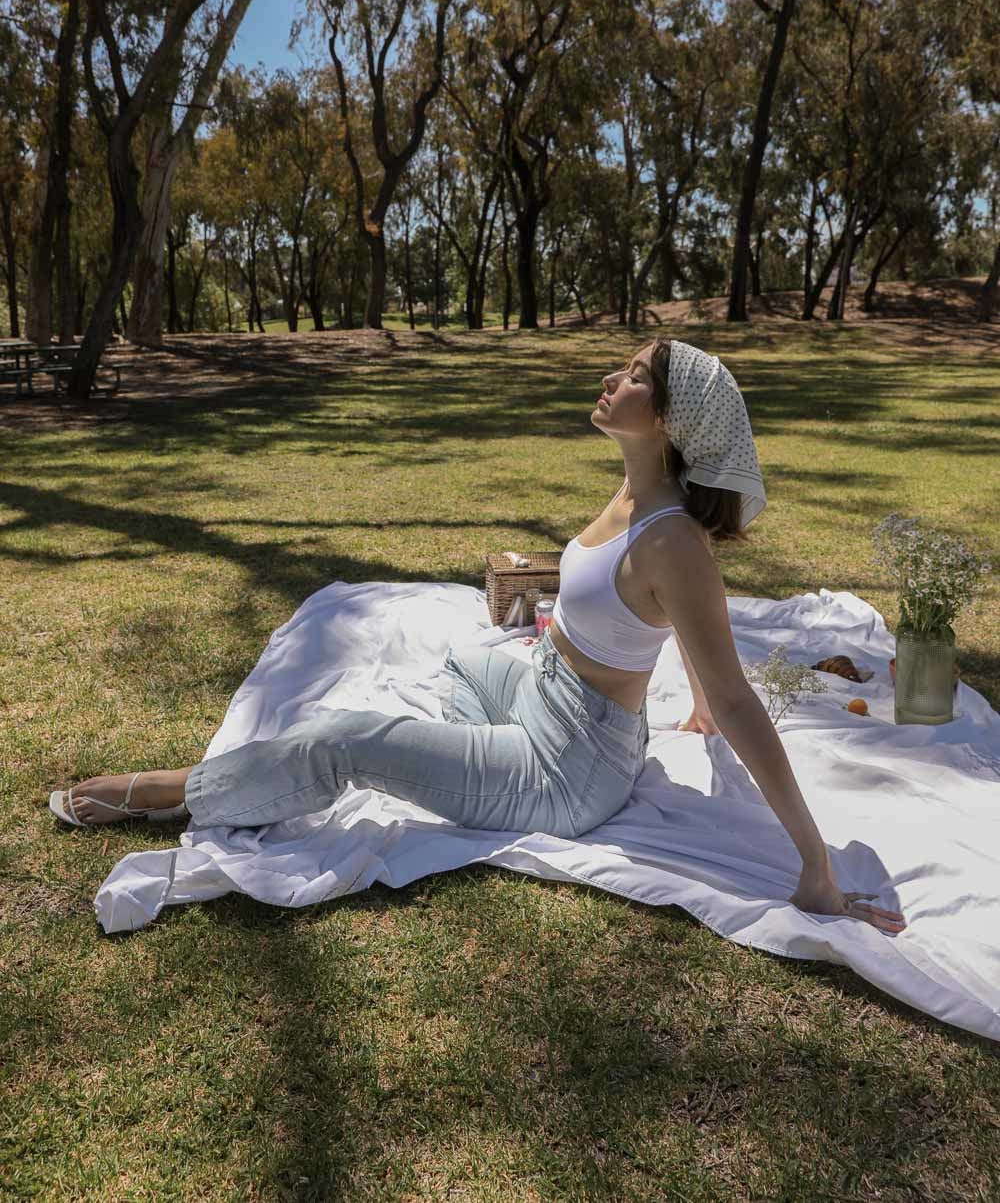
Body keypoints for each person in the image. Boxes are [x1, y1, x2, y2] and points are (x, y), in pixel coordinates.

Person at [49, 336, 906, 936]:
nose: (613, 378)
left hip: (569, 770)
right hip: (542, 692)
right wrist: (695, 718)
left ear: (674, 424)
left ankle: (170, 791)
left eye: (637, 376)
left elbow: (731, 689)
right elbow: (675, 628)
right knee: (458, 653)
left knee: (351, 742)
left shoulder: (674, 539)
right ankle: (456, 761)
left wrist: (815, 867)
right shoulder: (631, 494)